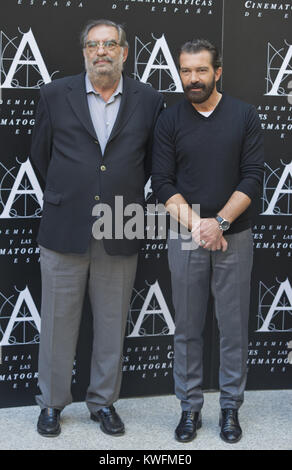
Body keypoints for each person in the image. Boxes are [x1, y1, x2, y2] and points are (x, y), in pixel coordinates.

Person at [31, 19, 164, 438]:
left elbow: (151, 161)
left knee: (111, 324)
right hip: (64, 224)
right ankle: (52, 404)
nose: (101, 51)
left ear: (125, 52)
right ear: (84, 52)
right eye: (93, 45)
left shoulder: (148, 98)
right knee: (56, 323)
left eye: (110, 44)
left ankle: (103, 402)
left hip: (121, 225)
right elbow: (40, 157)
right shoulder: (54, 95)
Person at [152, 39, 264, 444]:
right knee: (187, 327)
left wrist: (219, 222)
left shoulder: (244, 115)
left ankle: (230, 408)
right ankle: (189, 409)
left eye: (201, 70)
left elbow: (253, 176)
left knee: (233, 328)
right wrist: (200, 226)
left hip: (234, 234)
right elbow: (162, 183)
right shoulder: (169, 120)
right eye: (186, 71)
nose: (193, 79)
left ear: (218, 72)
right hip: (186, 236)